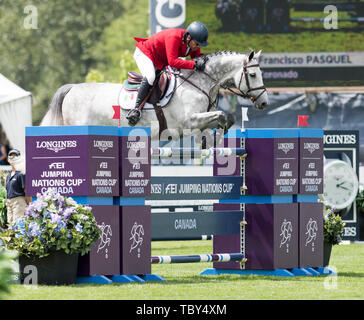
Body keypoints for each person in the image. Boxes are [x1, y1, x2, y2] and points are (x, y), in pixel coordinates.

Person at [126, 21, 209, 126]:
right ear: (188, 38)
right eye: (197, 44)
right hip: (145, 54)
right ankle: (136, 109)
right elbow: (173, 61)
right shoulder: (173, 37)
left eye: (200, 45)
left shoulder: (192, 44)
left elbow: (196, 59)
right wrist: (194, 64)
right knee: (151, 77)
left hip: (159, 60)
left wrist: (201, 60)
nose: (198, 47)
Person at [5, 149, 30, 227]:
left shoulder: (21, 173)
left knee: (18, 227)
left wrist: (28, 206)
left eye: (15, 156)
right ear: (8, 159)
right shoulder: (8, 175)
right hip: (10, 203)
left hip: (19, 203)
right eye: (11, 156)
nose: (13, 158)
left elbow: (27, 191)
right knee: (10, 227)